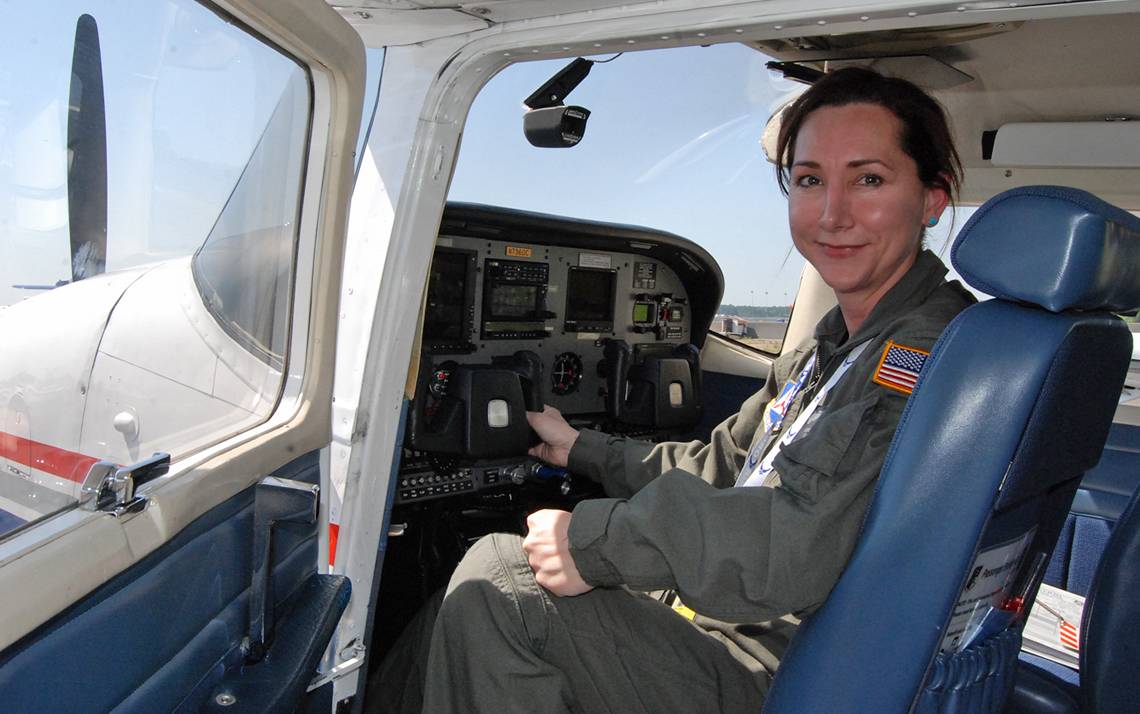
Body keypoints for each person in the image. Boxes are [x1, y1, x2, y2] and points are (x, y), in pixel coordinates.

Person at [372, 67, 976, 713]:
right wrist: (583, 447)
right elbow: (723, 467)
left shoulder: (917, 356)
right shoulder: (832, 348)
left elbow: (794, 542)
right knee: (462, 601)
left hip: (785, 667)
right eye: (809, 180)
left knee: (500, 579)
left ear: (933, 198)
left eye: (869, 179)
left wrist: (595, 542)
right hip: (750, 625)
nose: (832, 213)